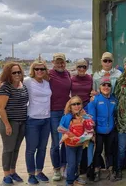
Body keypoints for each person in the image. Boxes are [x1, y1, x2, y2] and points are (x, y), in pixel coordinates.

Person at [0, 62, 28, 185]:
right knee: (8, 149)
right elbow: (1, 108)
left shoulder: (22, 85)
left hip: (22, 122)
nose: (17, 74)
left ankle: (13, 171)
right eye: (14, 72)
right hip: (10, 123)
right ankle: (6, 175)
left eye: (19, 72)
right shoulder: (5, 87)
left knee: (15, 149)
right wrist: (7, 125)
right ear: (8, 74)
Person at [23, 60, 52, 184]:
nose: (39, 71)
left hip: (46, 119)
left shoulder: (47, 83)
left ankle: (39, 171)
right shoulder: (27, 81)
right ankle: (31, 174)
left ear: (45, 70)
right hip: (33, 120)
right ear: (33, 70)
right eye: (37, 69)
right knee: (31, 149)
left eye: (42, 69)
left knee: (42, 148)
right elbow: (11, 82)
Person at [58, 96, 94, 186]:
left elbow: (90, 127)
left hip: (80, 144)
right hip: (70, 145)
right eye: (74, 104)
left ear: (81, 105)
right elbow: (60, 128)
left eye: (78, 103)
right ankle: (69, 182)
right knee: (71, 164)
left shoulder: (84, 116)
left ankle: (76, 178)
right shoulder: (66, 117)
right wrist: (68, 135)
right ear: (70, 106)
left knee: (78, 162)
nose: (76, 106)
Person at [88, 77, 118, 182]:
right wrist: (93, 132)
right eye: (103, 85)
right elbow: (91, 117)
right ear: (99, 87)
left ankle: (111, 171)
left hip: (111, 130)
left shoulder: (114, 100)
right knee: (98, 151)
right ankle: (97, 172)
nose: (106, 87)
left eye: (108, 85)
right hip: (99, 131)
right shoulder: (95, 100)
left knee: (110, 152)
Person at [48, 53, 72, 181]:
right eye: (57, 62)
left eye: (62, 62)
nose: (60, 64)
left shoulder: (67, 74)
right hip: (54, 112)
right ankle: (56, 168)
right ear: (53, 62)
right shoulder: (49, 74)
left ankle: (65, 165)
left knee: (67, 140)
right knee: (56, 142)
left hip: (66, 112)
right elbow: (34, 79)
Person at [70, 58, 93, 181]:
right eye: (79, 67)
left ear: (87, 68)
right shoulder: (72, 79)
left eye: (84, 67)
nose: (82, 69)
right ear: (76, 67)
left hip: (87, 111)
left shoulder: (90, 78)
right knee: (75, 138)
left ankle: (87, 167)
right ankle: (74, 169)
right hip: (75, 112)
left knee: (87, 139)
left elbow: (93, 92)